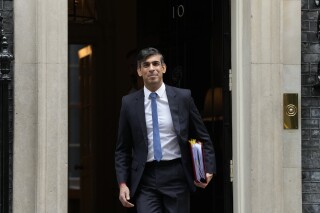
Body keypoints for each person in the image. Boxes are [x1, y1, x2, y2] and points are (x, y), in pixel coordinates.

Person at [115, 47, 216, 213]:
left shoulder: (183, 97)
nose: (152, 68)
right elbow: (122, 149)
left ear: (164, 68)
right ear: (139, 71)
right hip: (145, 177)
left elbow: (202, 135)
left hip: (177, 174)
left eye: (156, 63)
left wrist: (208, 168)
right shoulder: (128, 103)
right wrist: (122, 183)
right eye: (146, 65)